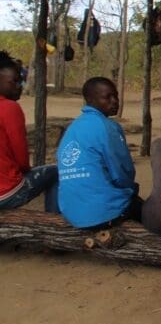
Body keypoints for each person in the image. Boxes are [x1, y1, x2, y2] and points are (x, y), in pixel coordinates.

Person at [57, 77, 142, 228]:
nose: (114, 101)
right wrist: (131, 188)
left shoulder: (73, 127)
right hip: (103, 213)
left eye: (115, 95)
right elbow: (123, 174)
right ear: (90, 99)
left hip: (71, 212)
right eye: (107, 97)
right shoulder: (108, 127)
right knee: (148, 211)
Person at [0, 50, 59, 213]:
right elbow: (22, 161)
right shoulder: (9, 108)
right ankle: (54, 225)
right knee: (56, 172)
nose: (20, 86)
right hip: (5, 194)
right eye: (14, 82)